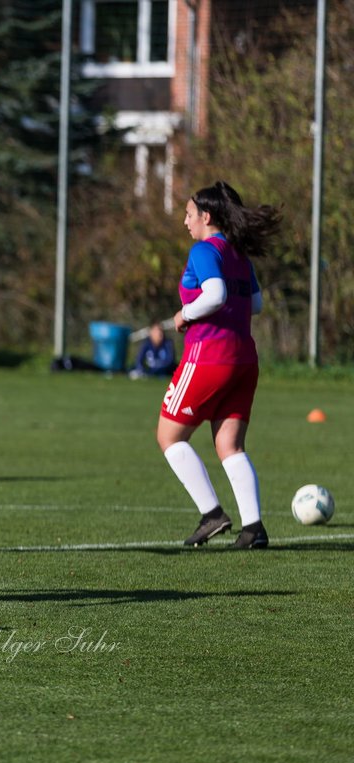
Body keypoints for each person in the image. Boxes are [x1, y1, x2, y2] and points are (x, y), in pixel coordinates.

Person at [158, 181, 281, 549]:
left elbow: (215, 294)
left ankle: (212, 514)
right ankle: (253, 528)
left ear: (206, 216)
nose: (185, 221)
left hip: (209, 357)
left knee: (168, 437)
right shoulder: (240, 254)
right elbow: (255, 305)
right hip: (245, 358)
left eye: (189, 214)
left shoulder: (204, 251)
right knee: (230, 445)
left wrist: (184, 315)